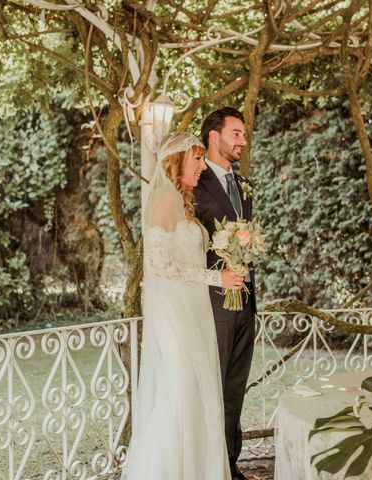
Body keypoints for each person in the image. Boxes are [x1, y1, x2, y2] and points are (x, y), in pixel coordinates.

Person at [122, 132, 244, 480]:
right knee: (180, 394)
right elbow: (160, 266)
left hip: (192, 310)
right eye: (195, 158)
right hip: (174, 314)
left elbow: (184, 258)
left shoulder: (181, 200)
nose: (202, 166)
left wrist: (225, 264)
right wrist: (215, 279)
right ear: (176, 161)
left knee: (194, 393)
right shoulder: (162, 198)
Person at [194, 107, 257, 480]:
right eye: (235, 133)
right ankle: (210, 466)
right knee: (213, 388)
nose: (242, 141)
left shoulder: (245, 184)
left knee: (235, 388)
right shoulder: (194, 185)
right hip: (211, 306)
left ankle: (230, 465)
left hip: (246, 301)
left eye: (243, 134)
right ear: (214, 137)